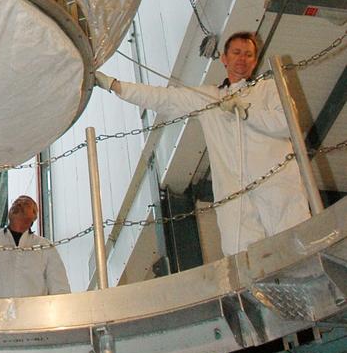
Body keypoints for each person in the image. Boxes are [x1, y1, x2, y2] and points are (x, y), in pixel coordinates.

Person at [95, 31, 312, 256]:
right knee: (243, 255)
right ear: (224, 58)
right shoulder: (209, 97)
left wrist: (246, 112)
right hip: (233, 190)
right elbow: (164, 98)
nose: (242, 59)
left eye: (248, 55)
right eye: (236, 53)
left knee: (295, 244)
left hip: (276, 182)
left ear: (255, 61)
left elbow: (287, 124)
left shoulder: (268, 89)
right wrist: (115, 85)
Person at [0, 175, 70, 297]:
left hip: (35, 315)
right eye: (16, 203)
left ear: (34, 216)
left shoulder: (45, 247)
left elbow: (60, 288)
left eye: (25, 203)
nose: (18, 204)